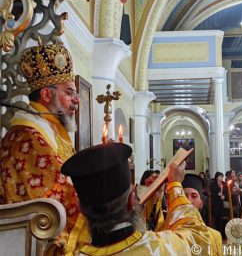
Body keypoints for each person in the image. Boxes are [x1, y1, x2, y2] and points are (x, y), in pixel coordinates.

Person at [61, 143, 217, 255]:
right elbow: (199, 240)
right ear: (131, 202)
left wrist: (153, 199)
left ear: (81, 209)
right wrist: (175, 185)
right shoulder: (161, 249)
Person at [0, 44, 81, 233]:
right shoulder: (27, 137)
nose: (76, 100)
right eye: (69, 93)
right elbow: (59, 197)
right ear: (46, 94)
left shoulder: (51, 130)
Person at [182, 174, 222, 255]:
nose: (188, 201)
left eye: (194, 196)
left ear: (201, 204)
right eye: (184, 196)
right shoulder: (168, 232)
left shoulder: (214, 236)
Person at [210, 171, 225, 236]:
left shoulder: (224, 184)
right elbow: (211, 193)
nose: (221, 178)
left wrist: (224, 196)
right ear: (217, 177)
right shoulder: (213, 184)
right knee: (217, 218)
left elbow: (227, 192)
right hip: (216, 202)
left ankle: (223, 233)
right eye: (220, 176)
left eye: (222, 176)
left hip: (222, 202)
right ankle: (217, 233)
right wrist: (217, 194)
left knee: (222, 218)